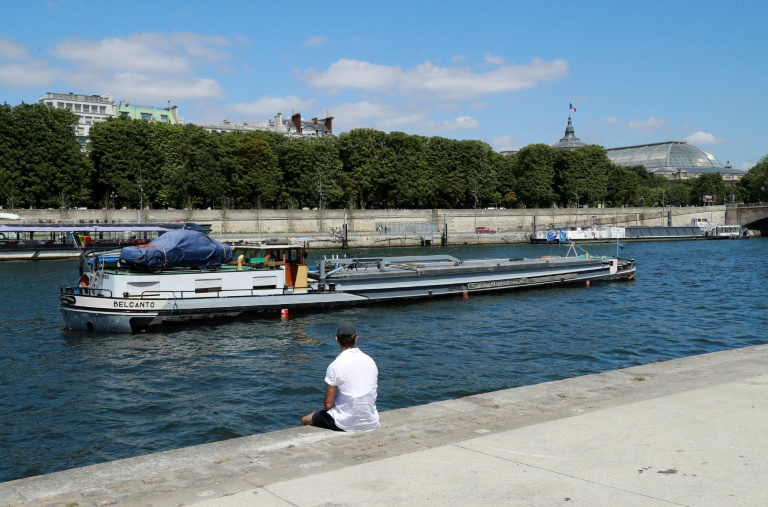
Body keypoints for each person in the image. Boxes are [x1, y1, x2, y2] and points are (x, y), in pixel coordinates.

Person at [301, 322, 380, 432]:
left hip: (345, 423)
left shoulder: (335, 366)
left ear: (337, 340)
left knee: (305, 419)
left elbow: (328, 404)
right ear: (356, 339)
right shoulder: (370, 361)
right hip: (371, 420)